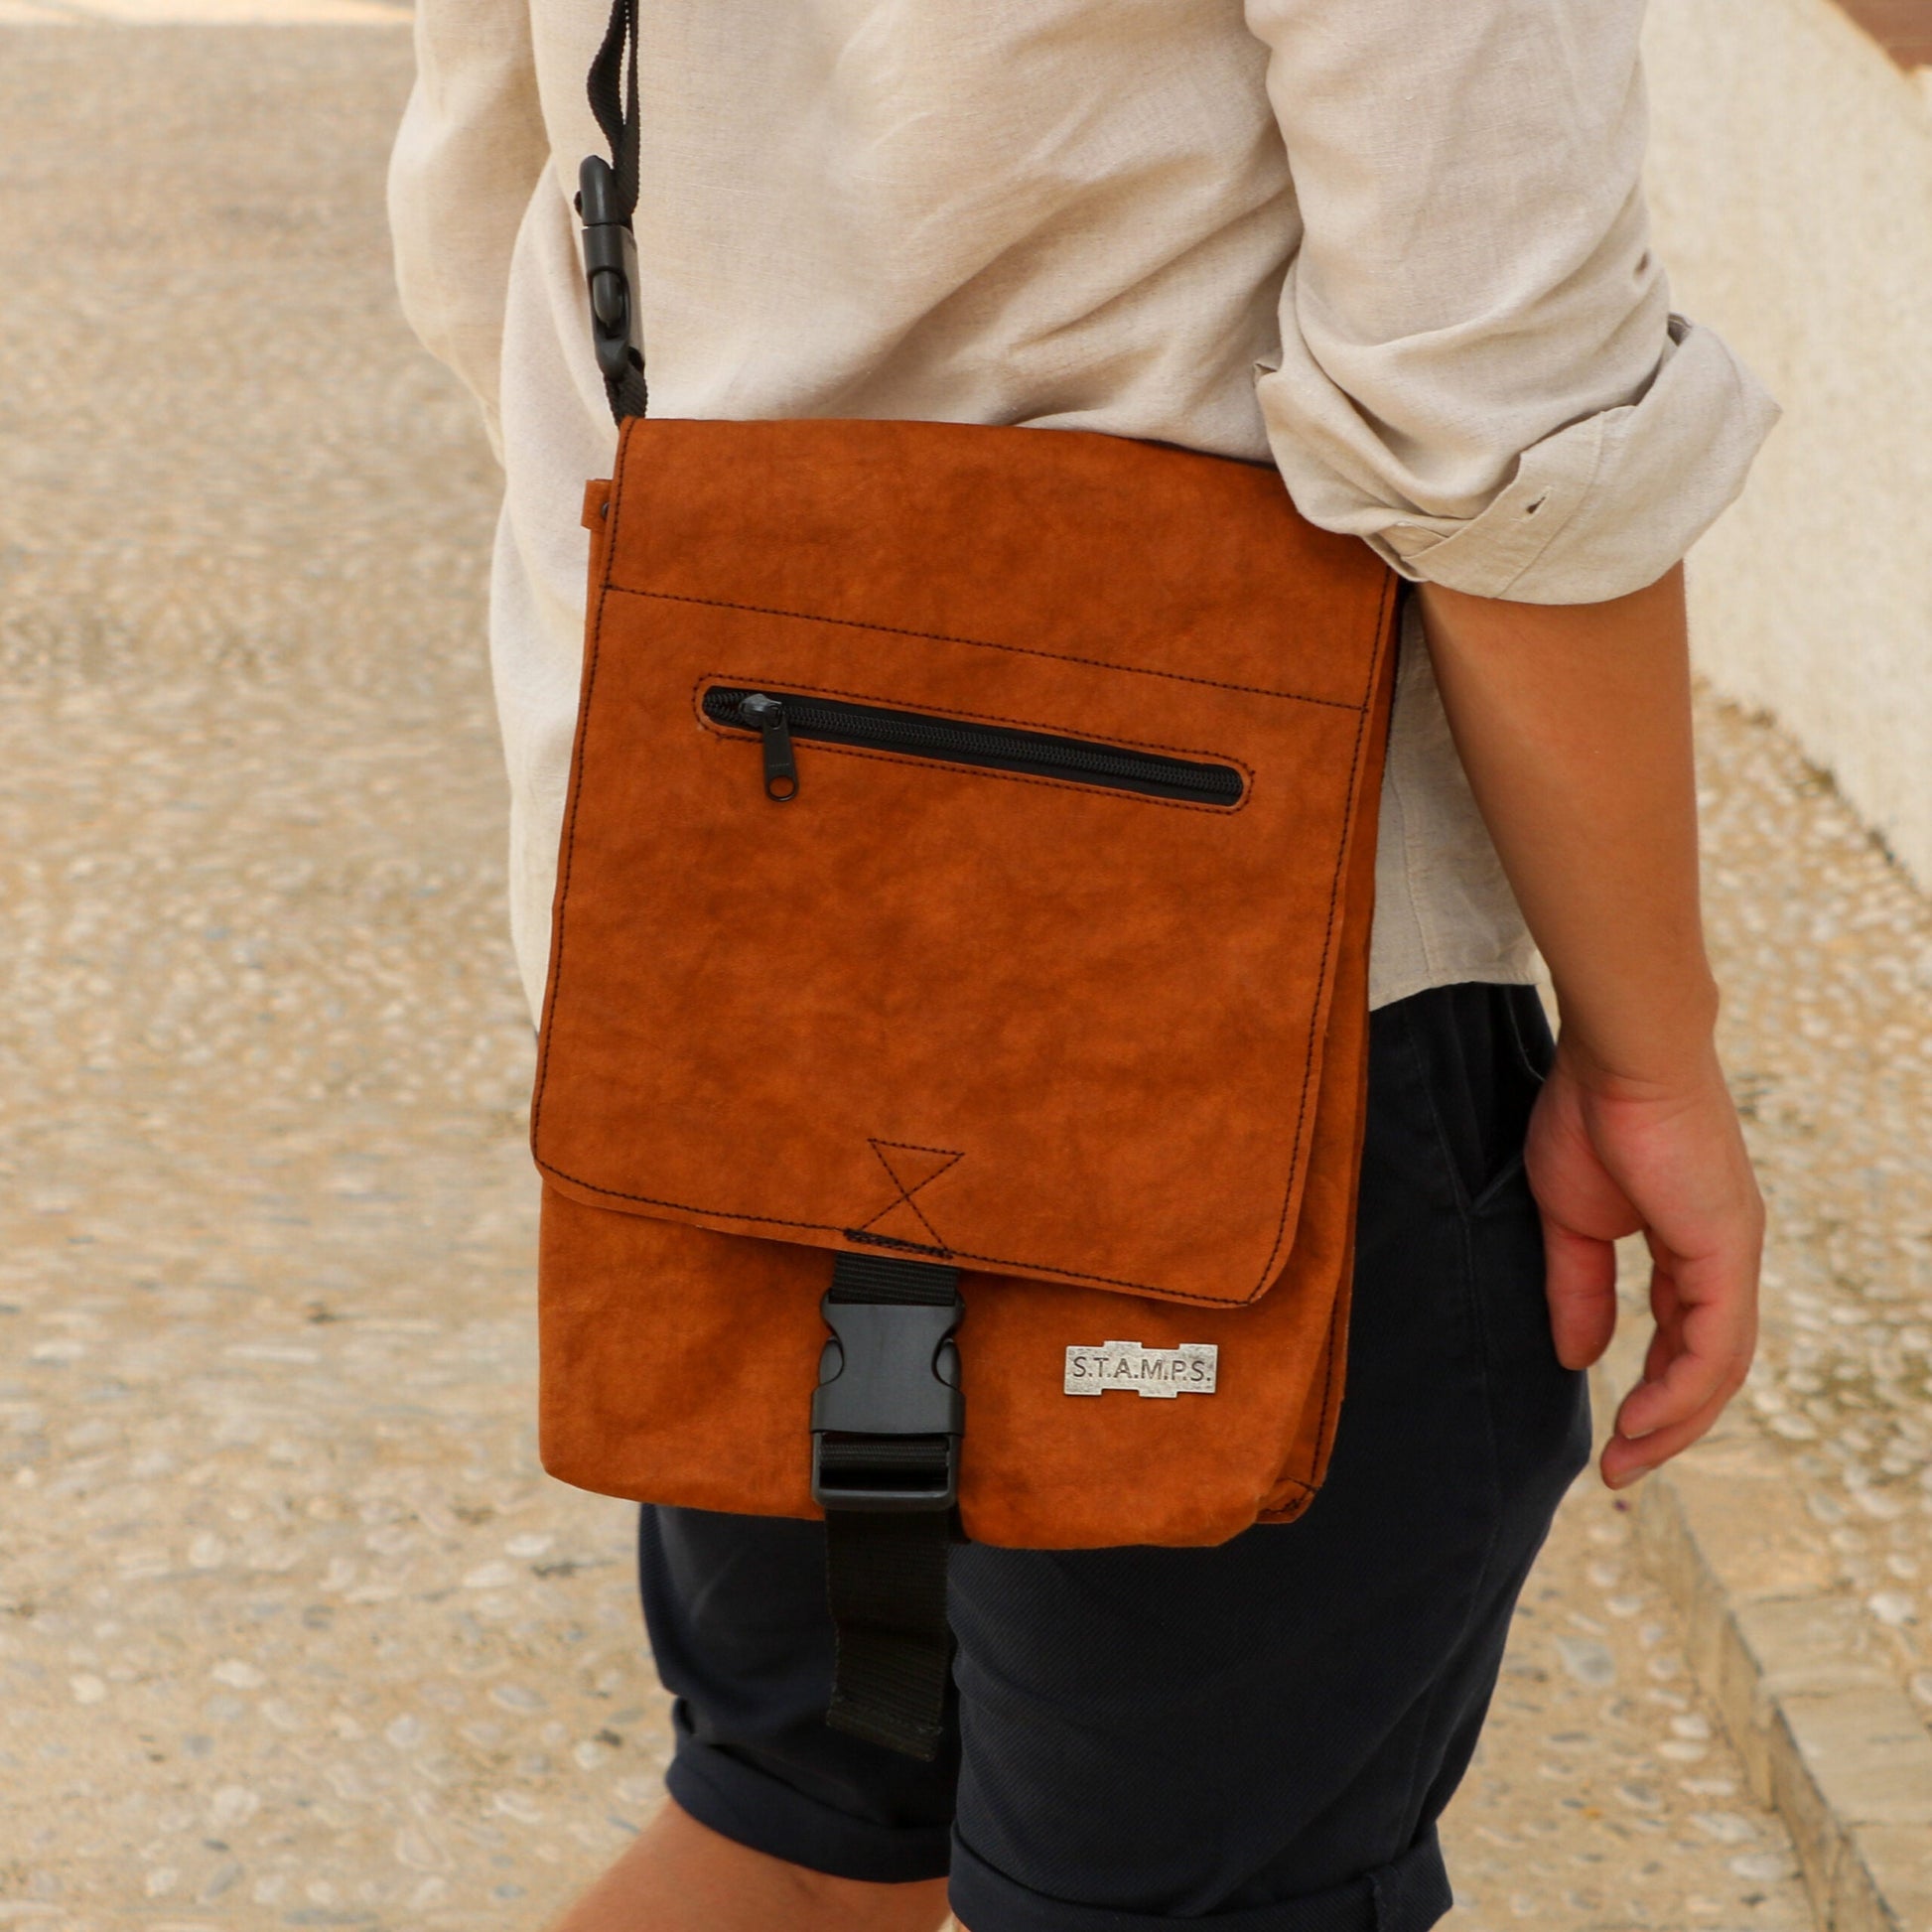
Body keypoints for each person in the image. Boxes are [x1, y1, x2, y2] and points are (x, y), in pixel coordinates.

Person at [389, 3, 1776, 1927]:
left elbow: (485, 206)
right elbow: (1503, 426)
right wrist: (1647, 1057)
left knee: (795, 1834)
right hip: (1232, 1000)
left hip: (718, 923)